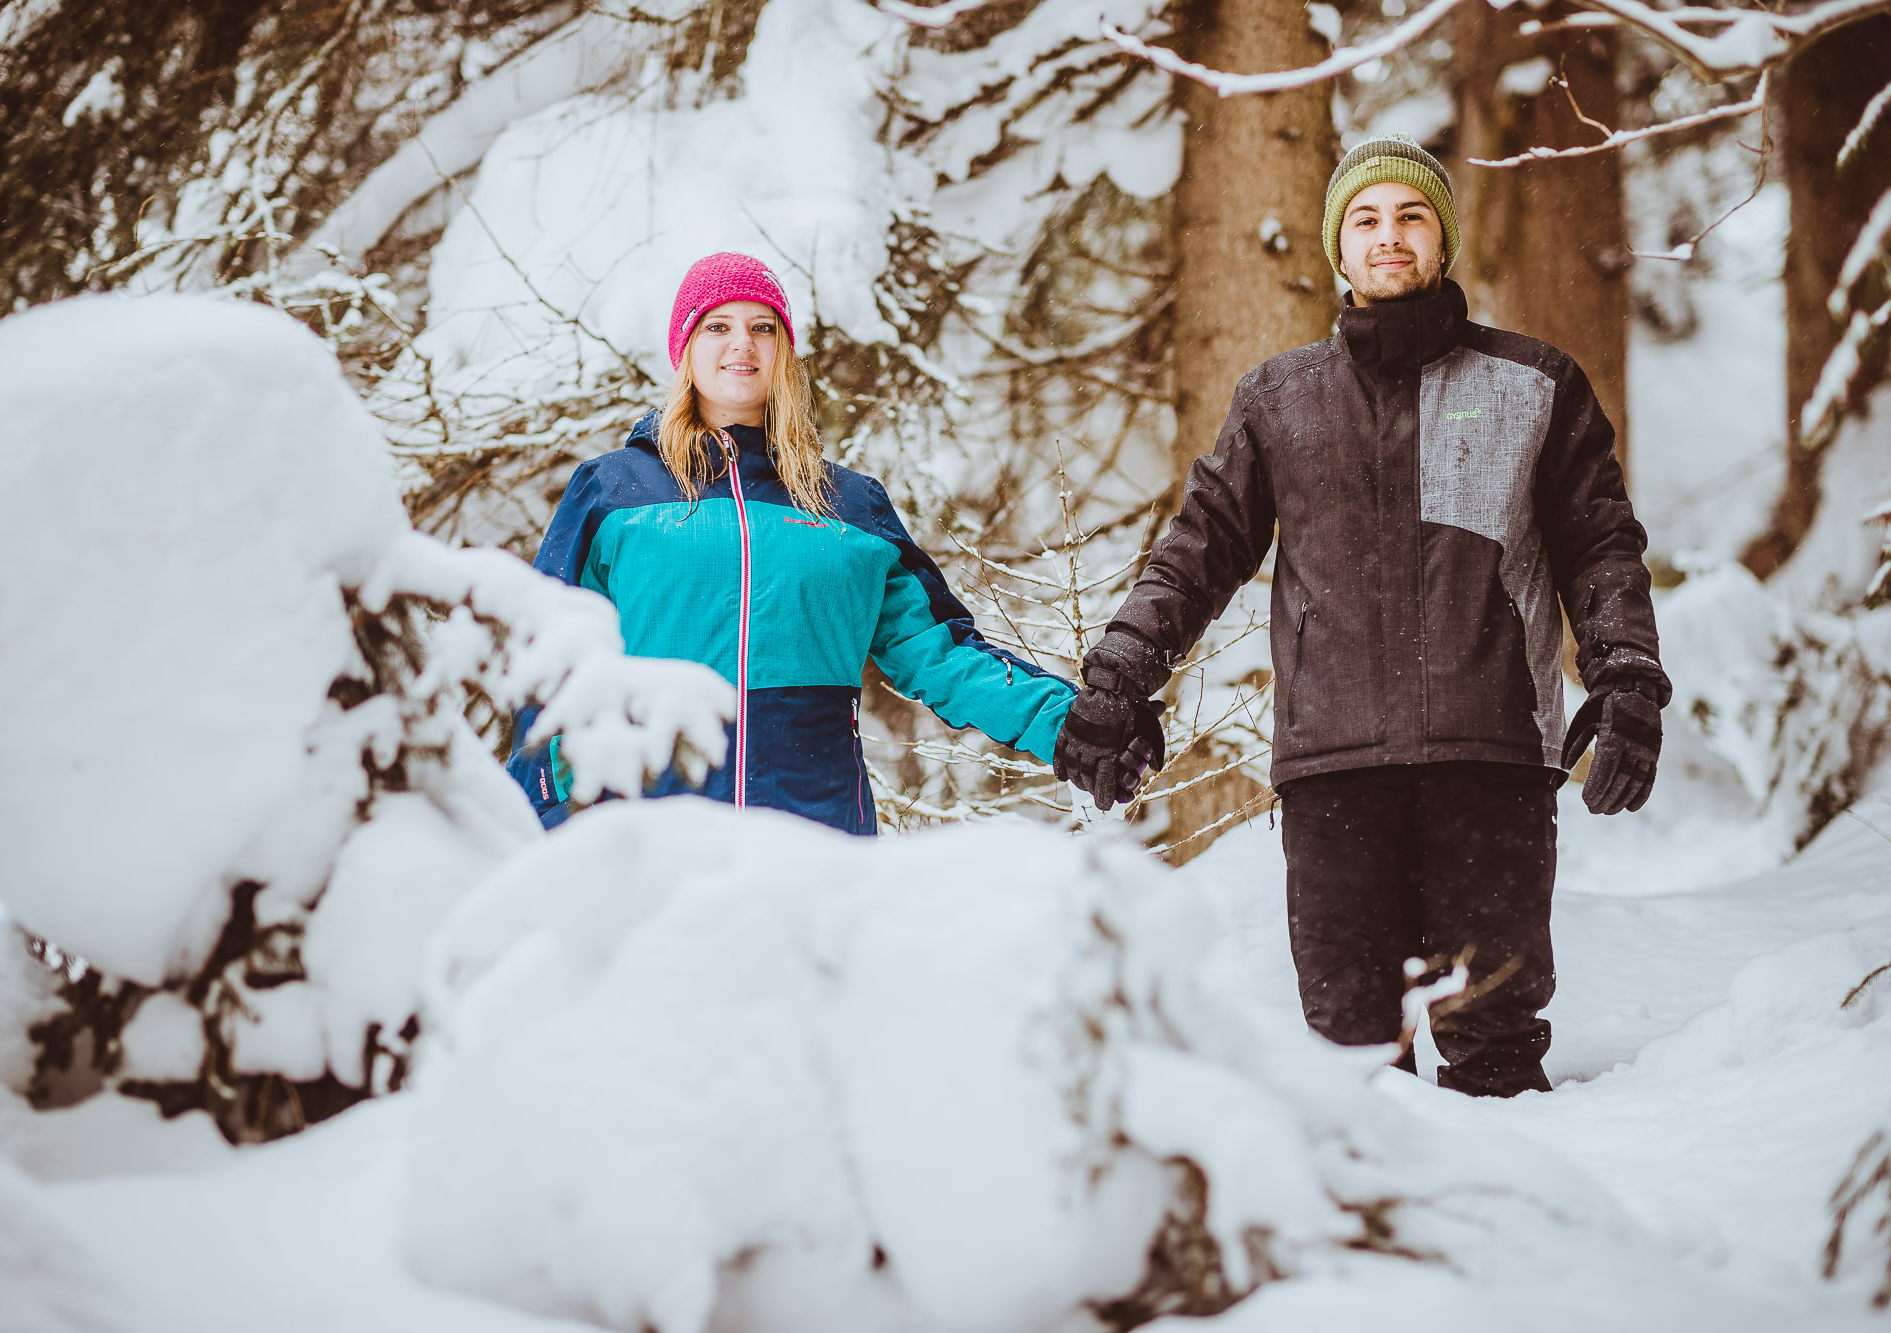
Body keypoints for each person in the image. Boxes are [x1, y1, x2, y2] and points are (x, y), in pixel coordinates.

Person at [1052, 133, 1670, 1097]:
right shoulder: (1278, 399)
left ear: (1443, 239)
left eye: (1411, 215)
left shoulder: (1534, 385)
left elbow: (1600, 545)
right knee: (1352, 1060)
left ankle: (1502, 1237)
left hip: (1490, 760)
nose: (1389, 235)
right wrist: (1115, 680)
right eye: (1366, 219)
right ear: (1339, 249)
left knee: (1494, 1041)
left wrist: (1628, 676)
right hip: (1335, 771)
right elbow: (1199, 550)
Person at [509, 251, 1075, 835]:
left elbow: (941, 655)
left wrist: (1070, 724)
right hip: (649, 846)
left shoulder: (848, 505)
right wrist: (550, 810)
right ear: (686, 348)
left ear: (784, 351)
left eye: (762, 328)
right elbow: (547, 658)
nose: (742, 346)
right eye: (718, 327)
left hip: (816, 842)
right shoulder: (614, 491)